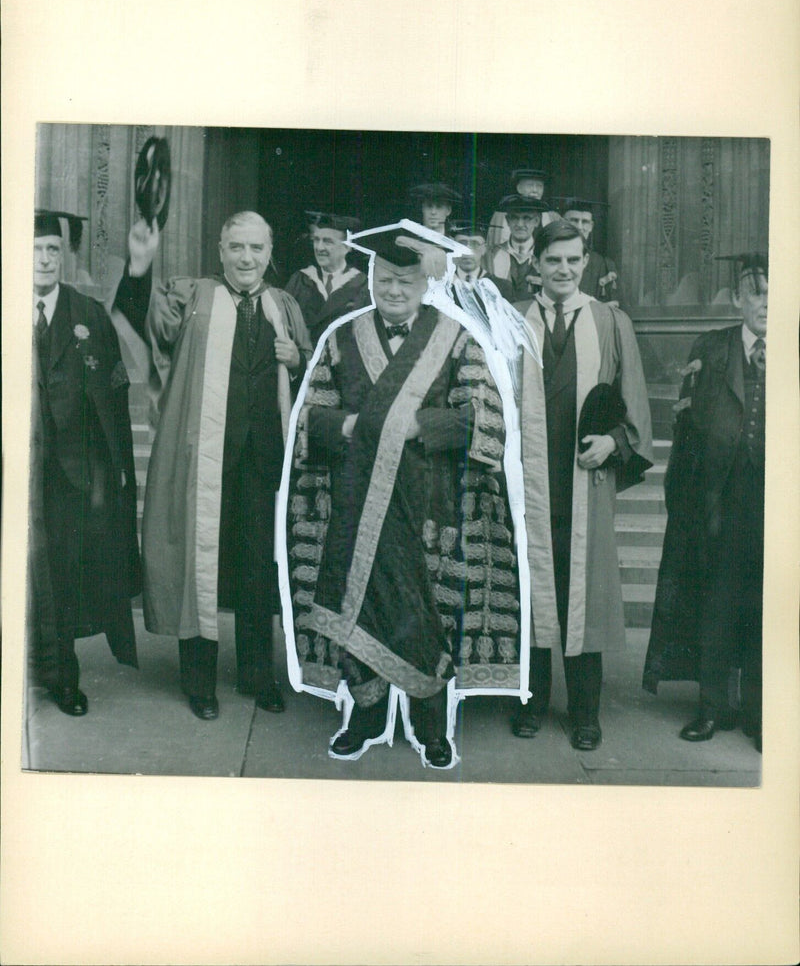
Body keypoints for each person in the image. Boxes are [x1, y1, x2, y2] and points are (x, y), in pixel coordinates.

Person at [283, 222, 523, 769]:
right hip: (355, 500)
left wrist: (419, 424)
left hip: (428, 502)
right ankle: (364, 717)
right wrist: (348, 428)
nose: (394, 291)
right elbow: (310, 418)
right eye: (385, 280)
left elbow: (481, 418)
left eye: (406, 282)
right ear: (370, 279)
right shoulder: (341, 339)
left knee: (424, 609)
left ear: (423, 285)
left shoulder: (456, 337)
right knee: (361, 603)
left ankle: (430, 725)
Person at [114, 211, 312, 719]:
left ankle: (256, 676)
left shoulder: (283, 305)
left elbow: (316, 373)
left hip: (261, 459)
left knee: (254, 571)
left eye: (256, 248)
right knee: (196, 566)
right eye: (236, 248)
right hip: (201, 455)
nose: (247, 258)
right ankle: (199, 681)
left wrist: (296, 361)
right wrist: (138, 270)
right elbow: (144, 327)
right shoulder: (192, 295)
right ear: (220, 250)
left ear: (270, 253)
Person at [516, 219, 653, 749]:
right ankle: (528, 702)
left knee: (582, 595)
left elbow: (634, 402)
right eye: (554, 260)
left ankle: (585, 713)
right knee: (531, 589)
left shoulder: (610, 322)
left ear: (586, 261)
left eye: (574, 260)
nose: (564, 269)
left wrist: (614, 443)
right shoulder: (513, 321)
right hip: (527, 478)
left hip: (583, 481)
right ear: (537, 263)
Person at [643, 254, 767, 752]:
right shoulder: (711, 348)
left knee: (768, 608)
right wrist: (692, 504)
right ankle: (712, 707)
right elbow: (687, 430)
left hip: (777, 506)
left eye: (774, 292)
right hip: (721, 502)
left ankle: (760, 714)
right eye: (754, 292)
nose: (764, 303)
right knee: (717, 603)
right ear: (737, 299)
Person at [29, 210, 140, 715]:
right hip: (19, 470)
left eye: (53, 249)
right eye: (35, 249)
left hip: (71, 473)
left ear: (64, 255)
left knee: (62, 577)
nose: (45, 259)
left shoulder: (88, 313)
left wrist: (114, 469)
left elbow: (115, 395)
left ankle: (61, 677)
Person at [284, 212, 369, 346]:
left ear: (348, 246)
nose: (319, 247)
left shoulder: (362, 285)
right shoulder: (299, 280)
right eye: (316, 240)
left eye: (328, 241)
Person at [488, 194, 550, 303]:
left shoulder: (547, 255)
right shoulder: (491, 255)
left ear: (536, 221)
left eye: (526, 218)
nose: (520, 224)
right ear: (507, 221)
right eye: (514, 218)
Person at [561, 198, 620, 304]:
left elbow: (610, 307)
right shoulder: (549, 259)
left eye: (585, 222)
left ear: (591, 226)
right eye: (574, 220)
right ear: (563, 223)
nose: (579, 227)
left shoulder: (603, 264)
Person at [487, 168, 556, 257]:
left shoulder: (551, 216)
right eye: (530, 185)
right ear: (519, 188)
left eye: (539, 186)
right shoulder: (501, 214)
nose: (535, 190)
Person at [449, 220, 514, 301]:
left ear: (484, 249)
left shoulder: (501, 287)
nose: (468, 252)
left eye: (475, 244)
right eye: (462, 244)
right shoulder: (442, 285)